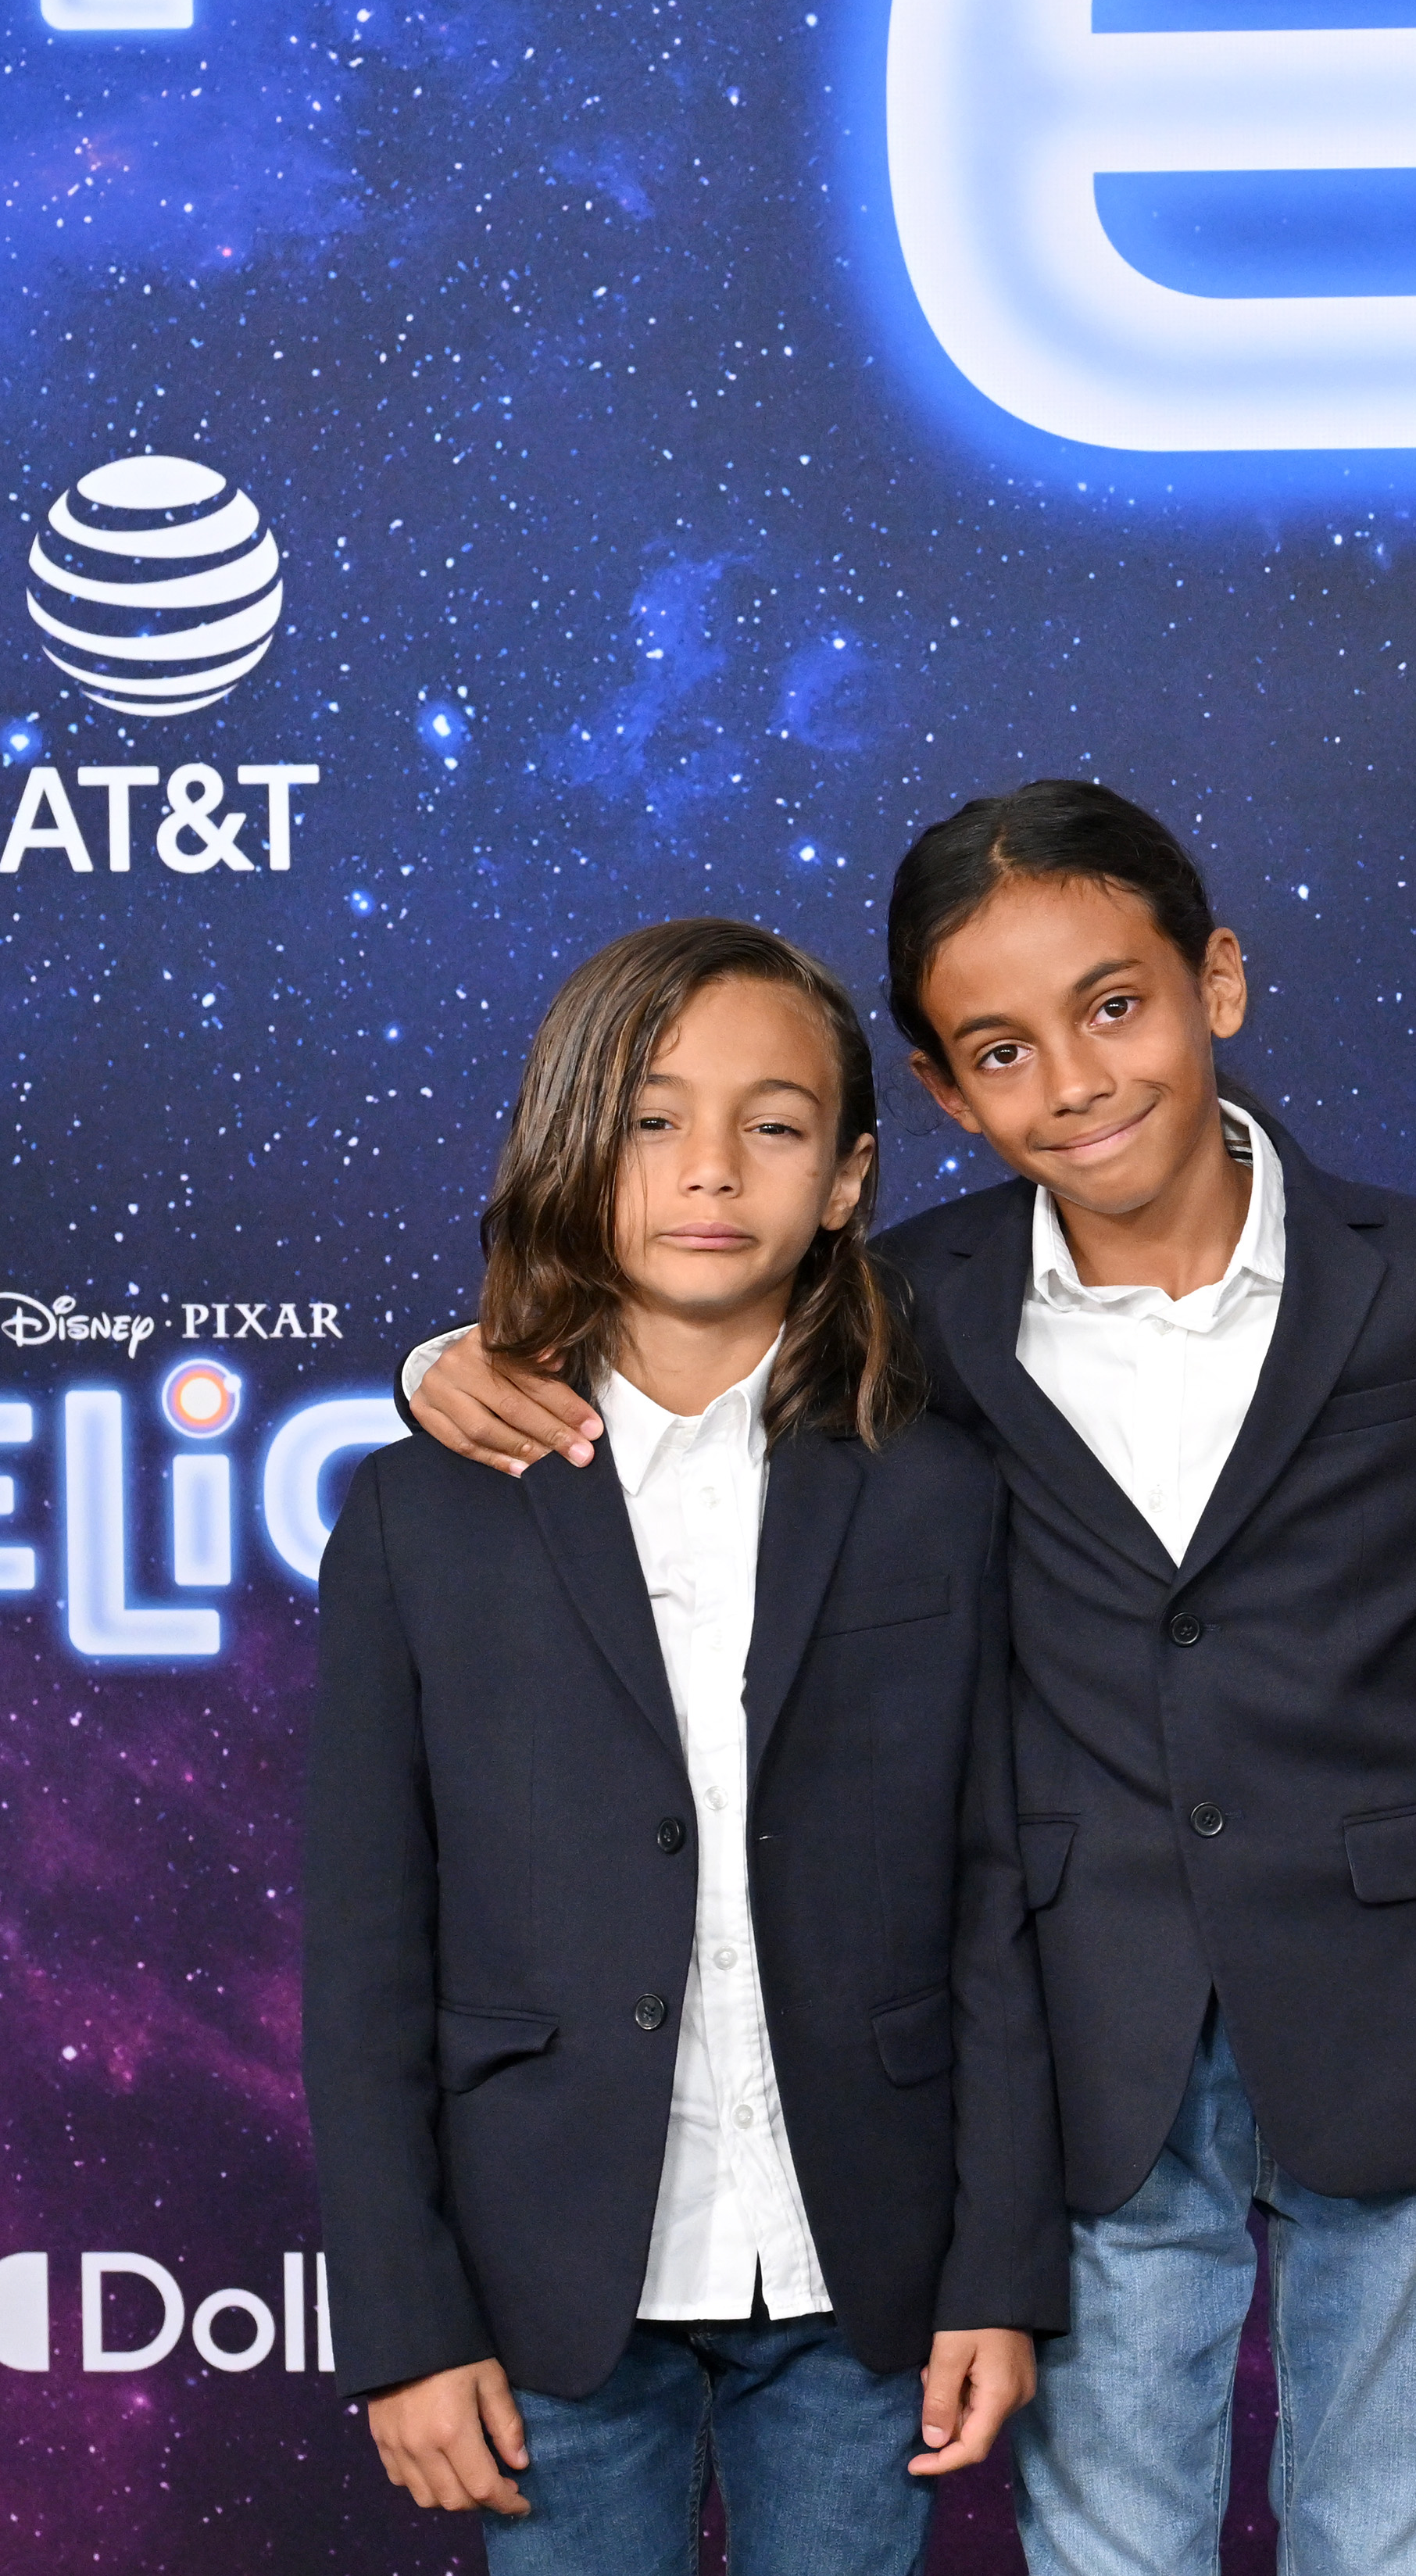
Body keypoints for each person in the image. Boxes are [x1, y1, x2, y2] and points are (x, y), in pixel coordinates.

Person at [400, 782, 1416, 2576]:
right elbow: (686, 1378)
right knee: (1112, 2537)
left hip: (1405, 1993)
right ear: (941, 1086)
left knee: (1399, 2536)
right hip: (1086, 2024)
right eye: (1003, 1047)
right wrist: (453, 1355)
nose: (1073, 1078)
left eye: (1114, 1005)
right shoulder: (908, 1310)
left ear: (1216, 977)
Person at [303, 918, 1061, 2575]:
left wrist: (998, 2269)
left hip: (864, 2262)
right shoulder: (422, 1511)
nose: (711, 1169)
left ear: (852, 1175)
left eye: (774, 1125)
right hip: (546, 2275)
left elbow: (998, 1898)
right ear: (578, 1147)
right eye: (652, 1120)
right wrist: (404, 2320)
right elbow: (364, 1949)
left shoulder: (935, 1492)